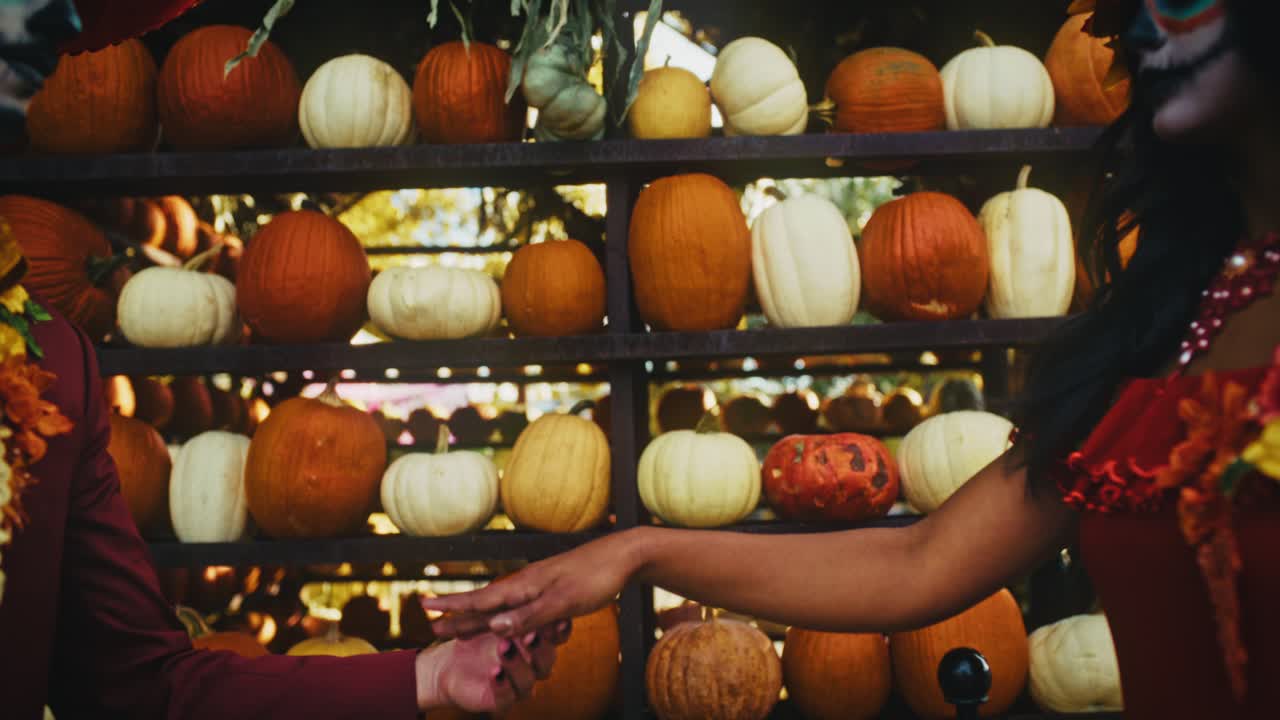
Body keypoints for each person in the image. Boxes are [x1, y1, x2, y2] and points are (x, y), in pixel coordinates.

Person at [425, 2, 1280, 718]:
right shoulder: (1171, 322)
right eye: (1135, 8)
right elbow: (919, 562)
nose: (1139, 29)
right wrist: (635, 552)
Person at [0, 7, 569, 719]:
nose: (30, 43)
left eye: (40, 32)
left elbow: (140, 685)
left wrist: (426, 675)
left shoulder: (50, 368)